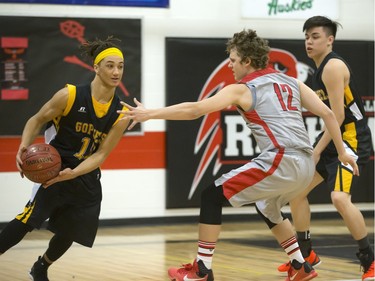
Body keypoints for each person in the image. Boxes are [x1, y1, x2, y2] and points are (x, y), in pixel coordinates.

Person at [119, 29, 358, 281]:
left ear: (247, 61)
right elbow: (330, 114)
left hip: (281, 159)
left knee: (211, 195)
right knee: (267, 205)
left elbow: (196, 109)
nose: (230, 65)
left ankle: (202, 269)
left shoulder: (243, 89)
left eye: (233, 60)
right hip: (306, 164)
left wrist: (150, 113)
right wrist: (342, 152)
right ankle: (300, 264)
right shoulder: (292, 82)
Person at [0, 36, 130, 281]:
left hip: (85, 174)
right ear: (96, 67)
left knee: (70, 231)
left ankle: (41, 267)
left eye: (121, 66)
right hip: (53, 169)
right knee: (28, 220)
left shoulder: (122, 113)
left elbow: (101, 154)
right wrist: (23, 146)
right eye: (110, 65)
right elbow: (36, 120)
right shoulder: (69, 96)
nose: (116, 72)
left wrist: (76, 173)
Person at [275, 16, 374, 281]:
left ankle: (370, 261)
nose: (309, 41)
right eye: (306, 36)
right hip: (334, 135)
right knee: (296, 194)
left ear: (330, 40)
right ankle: (305, 254)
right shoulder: (319, 68)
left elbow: (339, 117)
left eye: (315, 36)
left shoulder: (332, 66)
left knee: (340, 198)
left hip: (352, 138)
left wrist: (319, 150)